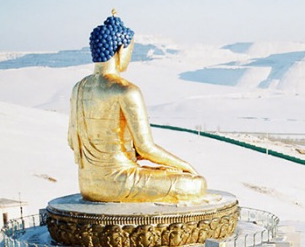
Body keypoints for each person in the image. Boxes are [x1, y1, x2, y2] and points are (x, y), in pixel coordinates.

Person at [68, 12, 206, 203]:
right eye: (130, 51)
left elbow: (72, 141)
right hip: (120, 182)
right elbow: (146, 148)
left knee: (164, 172)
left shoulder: (78, 88)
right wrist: (184, 165)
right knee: (196, 184)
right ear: (120, 49)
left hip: (88, 185)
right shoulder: (126, 90)